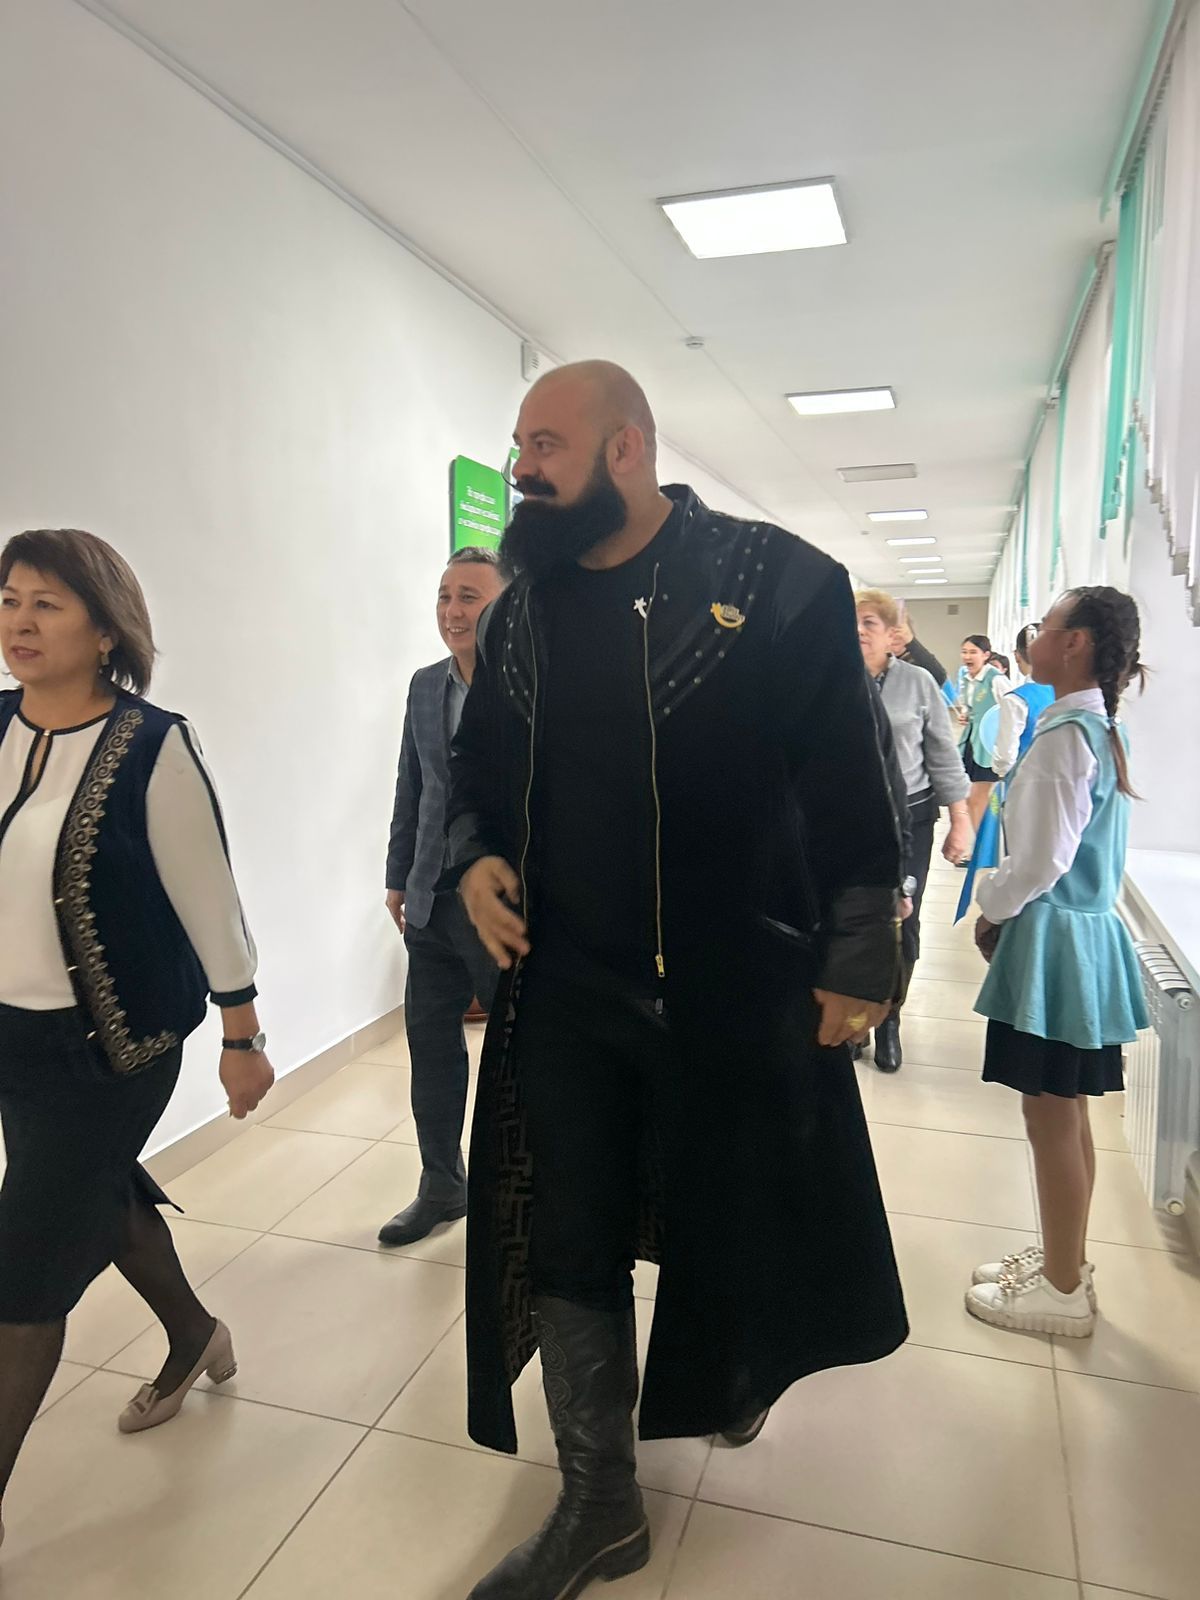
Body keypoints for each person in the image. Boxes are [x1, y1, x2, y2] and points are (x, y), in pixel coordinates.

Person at [447, 361, 908, 1600]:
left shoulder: (775, 581)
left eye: (545, 444)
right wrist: (473, 856)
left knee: (734, 1214)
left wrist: (861, 950)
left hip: (734, 982)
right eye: (518, 445)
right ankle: (600, 1505)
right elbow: (477, 770)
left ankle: (732, 1369)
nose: (523, 468)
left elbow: (847, 782)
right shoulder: (521, 615)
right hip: (563, 989)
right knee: (571, 1228)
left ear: (628, 448)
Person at [0, 529, 273, 1548]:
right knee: (93, 1198)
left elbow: (211, 898)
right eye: (10, 600)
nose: (20, 622)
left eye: (48, 604)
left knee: (23, 1270)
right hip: (11, 1039)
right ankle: (196, 1334)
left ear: (106, 628)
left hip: (113, 1046)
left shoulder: (151, 744)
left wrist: (242, 1034)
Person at [965, 588, 1148, 1337]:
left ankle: (1063, 1290)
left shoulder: (1067, 735)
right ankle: (1065, 1263)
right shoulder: (1098, 727)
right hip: (1083, 938)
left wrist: (990, 902)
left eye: (1045, 627)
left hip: (1054, 944)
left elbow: (1040, 860)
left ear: (1075, 644)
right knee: (1066, 1112)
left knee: (1049, 1115)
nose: (1033, 638)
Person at [379, 547, 506, 1247]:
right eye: (444, 596)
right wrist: (399, 875)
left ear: (506, 605)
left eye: (470, 597)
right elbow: (413, 784)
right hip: (431, 900)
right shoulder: (427, 686)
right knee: (431, 1049)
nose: (453, 612)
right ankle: (441, 1185)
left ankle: (521, 1189)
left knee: (517, 1061)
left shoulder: (530, 682)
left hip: (503, 909)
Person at [856, 590, 972, 1071]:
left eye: (869, 622)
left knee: (902, 919)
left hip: (911, 819)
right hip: (847, 820)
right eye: (851, 622)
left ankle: (890, 1019)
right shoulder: (829, 678)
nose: (859, 631)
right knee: (850, 918)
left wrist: (961, 820)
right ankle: (856, 1019)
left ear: (892, 634)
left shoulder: (918, 682)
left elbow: (943, 754)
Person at [954, 633, 1009, 840]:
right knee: (971, 798)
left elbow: (1011, 710)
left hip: (987, 746)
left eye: (973, 652)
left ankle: (984, 845)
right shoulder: (967, 679)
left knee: (977, 798)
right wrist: (966, 716)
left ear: (986, 655)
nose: (967, 657)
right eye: (964, 652)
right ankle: (982, 844)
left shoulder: (996, 680)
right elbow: (970, 707)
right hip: (971, 743)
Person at [991, 624, 1055, 779]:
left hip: (1026, 780)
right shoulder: (1067, 693)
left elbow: (1006, 757)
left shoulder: (1015, 700)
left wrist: (1001, 773)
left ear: (1016, 656)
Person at [892, 610, 948, 686]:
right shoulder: (883, 660)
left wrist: (911, 641)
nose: (895, 638)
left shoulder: (918, 658)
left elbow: (940, 677)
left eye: (899, 632)